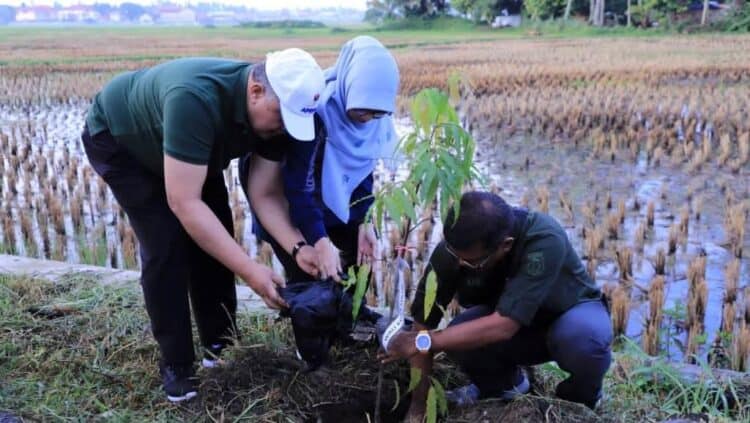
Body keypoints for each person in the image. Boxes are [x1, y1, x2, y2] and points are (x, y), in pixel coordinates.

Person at [81, 50, 325, 402]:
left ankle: (220, 343)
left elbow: (265, 194)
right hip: (122, 140)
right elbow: (184, 203)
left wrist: (300, 247)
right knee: (166, 246)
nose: (285, 127)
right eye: (282, 117)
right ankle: (177, 363)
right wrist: (253, 273)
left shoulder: (278, 115)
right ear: (255, 91)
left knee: (216, 237)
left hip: (188, 147)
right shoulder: (195, 99)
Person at [381, 191, 612, 420]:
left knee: (585, 340)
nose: (458, 263)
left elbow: (503, 326)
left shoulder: (544, 238)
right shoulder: (452, 253)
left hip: (566, 315)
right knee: (459, 334)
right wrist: (418, 407)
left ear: (506, 245)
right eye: (455, 255)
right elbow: (421, 326)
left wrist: (425, 341)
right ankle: (506, 387)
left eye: (471, 262)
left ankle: (580, 400)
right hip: (520, 327)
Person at [239, 36, 399, 367]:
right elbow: (299, 187)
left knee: (355, 264)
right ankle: (311, 358)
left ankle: (344, 325)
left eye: (376, 112)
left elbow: (362, 172)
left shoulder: (374, 121)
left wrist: (365, 222)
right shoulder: (317, 112)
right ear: (348, 86)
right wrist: (318, 240)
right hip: (289, 207)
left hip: (337, 205)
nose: (368, 118)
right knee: (312, 287)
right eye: (363, 108)